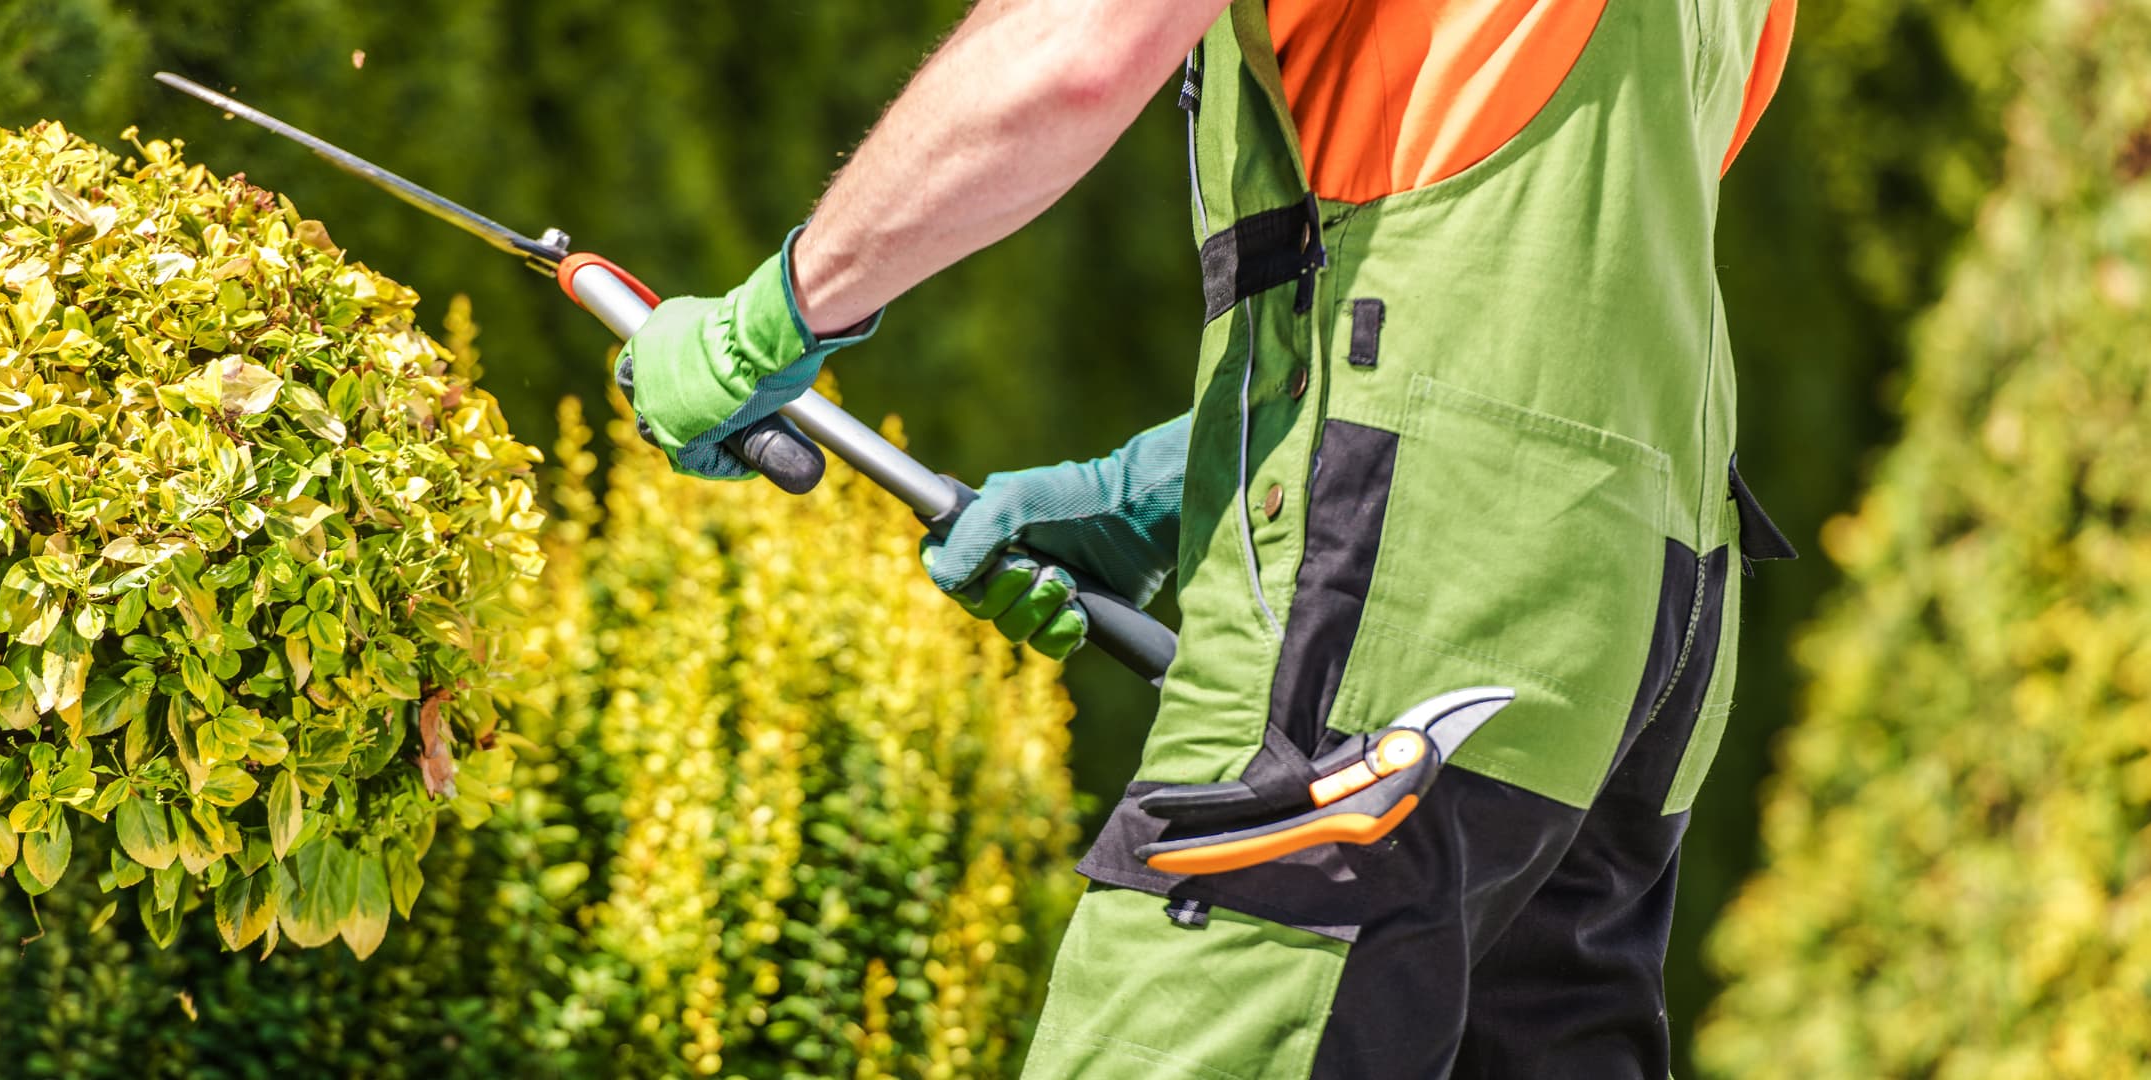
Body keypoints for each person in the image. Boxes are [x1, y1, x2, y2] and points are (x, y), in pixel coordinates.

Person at [617, 0, 1802, 1075]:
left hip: (1409, 603)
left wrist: (775, 316)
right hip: (1643, 614)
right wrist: (1178, 479)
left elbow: (1074, 48)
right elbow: (1560, 257)